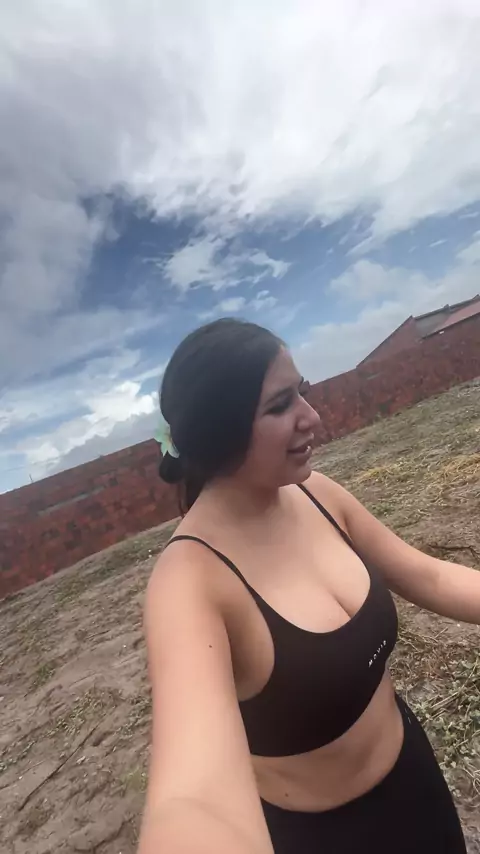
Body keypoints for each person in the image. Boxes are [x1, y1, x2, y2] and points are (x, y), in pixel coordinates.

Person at [137, 318, 476, 854]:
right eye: (280, 405)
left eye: (302, 391)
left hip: (416, 784)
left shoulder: (319, 494)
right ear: (219, 428)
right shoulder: (187, 585)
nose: (311, 416)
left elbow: (428, 574)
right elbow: (195, 798)